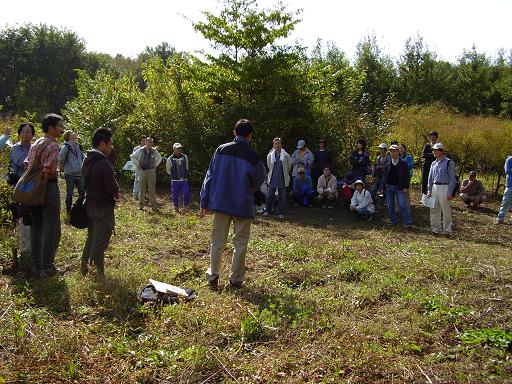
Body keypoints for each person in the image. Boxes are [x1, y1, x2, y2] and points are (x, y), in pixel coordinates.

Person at [200, 119, 266, 289]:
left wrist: (204, 200)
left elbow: (210, 176)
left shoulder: (221, 150)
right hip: (242, 205)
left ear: (234, 132)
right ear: (250, 136)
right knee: (241, 243)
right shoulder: (253, 156)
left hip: (221, 202)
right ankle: (236, 280)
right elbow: (259, 179)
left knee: (217, 241)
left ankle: (213, 277)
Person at [24, 113, 64, 277]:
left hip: (32, 188)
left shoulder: (36, 143)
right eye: (59, 126)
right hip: (48, 188)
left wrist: (33, 188)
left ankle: (36, 264)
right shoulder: (53, 145)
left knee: (36, 225)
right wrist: (42, 186)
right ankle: (47, 267)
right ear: (51, 128)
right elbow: (48, 171)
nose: (62, 129)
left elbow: (26, 164)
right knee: (52, 227)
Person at [81, 128, 119, 277]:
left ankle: (84, 269)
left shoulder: (87, 159)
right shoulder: (104, 164)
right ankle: (97, 275)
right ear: (102, 144)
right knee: (100, 243)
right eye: (110, 144)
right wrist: (116, 194)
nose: (111, 147)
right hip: (103, 208)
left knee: (91, 238)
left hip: (90, 205)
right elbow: (113, 188)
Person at [10, 123, 35, 260]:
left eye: (29, 132)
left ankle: (33, 249)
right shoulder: (15, 148)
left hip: (35, 188)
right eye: (24, 132)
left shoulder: (34, 147)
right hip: (21, 188)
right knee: (24, 218)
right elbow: (22, 163)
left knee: (34, 218)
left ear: (33, 135)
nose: (26, 134)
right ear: (19, 133)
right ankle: (25, 253)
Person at [427, 143, 456, 236]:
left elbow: (452, 179)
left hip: (445, 187)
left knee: (445, 209)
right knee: (434, 209)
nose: (434, 152)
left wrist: (450, 192)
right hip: (435, 187)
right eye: (433, 150)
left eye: (436, 150)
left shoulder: (449, 162)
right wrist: (429, 190)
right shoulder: (433, 163)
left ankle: (447, 231)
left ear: (442, 151)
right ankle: (436, 230)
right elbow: (430, 178)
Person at [380, 144, 412, 226]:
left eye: (394, 151)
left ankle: (407, 222)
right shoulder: (388, 164)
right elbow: (384, 177)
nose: (393, 153)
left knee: (402, 205)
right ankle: (392, 221)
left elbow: (407, 176)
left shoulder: (403, 163)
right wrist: (382, 187)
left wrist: (406, 186)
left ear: (398, 152)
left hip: (400, 187)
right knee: (390, 206)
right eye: (391, 152)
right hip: (389, 187)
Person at [131, 137, 162, 210]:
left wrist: (156, 165)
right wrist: (138, 164)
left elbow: (160, 158)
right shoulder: (141, 150)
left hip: (151, 170)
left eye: (151, 142)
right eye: (148, 142)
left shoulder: (154, 150)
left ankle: (153, 205)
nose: (149, 143)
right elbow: (132, 157)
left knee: (152, 188)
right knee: (142, 188)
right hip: (142, 170)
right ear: (145, 142)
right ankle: (141, 205)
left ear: (152, 143)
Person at [264, 137, 291, 219]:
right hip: (272, 178)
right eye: (276, 143)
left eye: (279, 143)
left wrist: (285, 174)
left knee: (282, 197)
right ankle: (268, 211)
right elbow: (269, 166)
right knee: (269, 196)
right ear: (273, 145)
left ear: (281, 145)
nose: (277, 145)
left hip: (282, 178)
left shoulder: (286, 156)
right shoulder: (269, 156)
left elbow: (289, 167)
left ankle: (280, 212)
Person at [59, 130, 85, 214]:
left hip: (80, 173)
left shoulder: (79, 146)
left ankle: (81, 208)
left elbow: (82, 156)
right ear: (69, 136)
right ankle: (68, 210)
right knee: (70, 192)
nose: (74, 133)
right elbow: (61, 159)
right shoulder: (65, 147)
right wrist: (64, 168)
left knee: (82, 191)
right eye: (72, 133)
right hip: (70, 173)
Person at [166, 142, 190, 212]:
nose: (179, 149)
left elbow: (187, 167)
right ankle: (176, 207)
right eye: (177, 148)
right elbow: (168, 170)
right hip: (175, 180)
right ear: (174, 149)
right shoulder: (169, 159)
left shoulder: (185, 157)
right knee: (175, 194)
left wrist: (185, 174)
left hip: (184, 179)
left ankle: (186, 206)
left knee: (186, 193)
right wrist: (174, 175)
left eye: (180, 148)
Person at [496, 156, 512, 224]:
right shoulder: (509, 159)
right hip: (510, 185)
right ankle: (500, 219)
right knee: (505, 202)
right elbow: (507, 171)